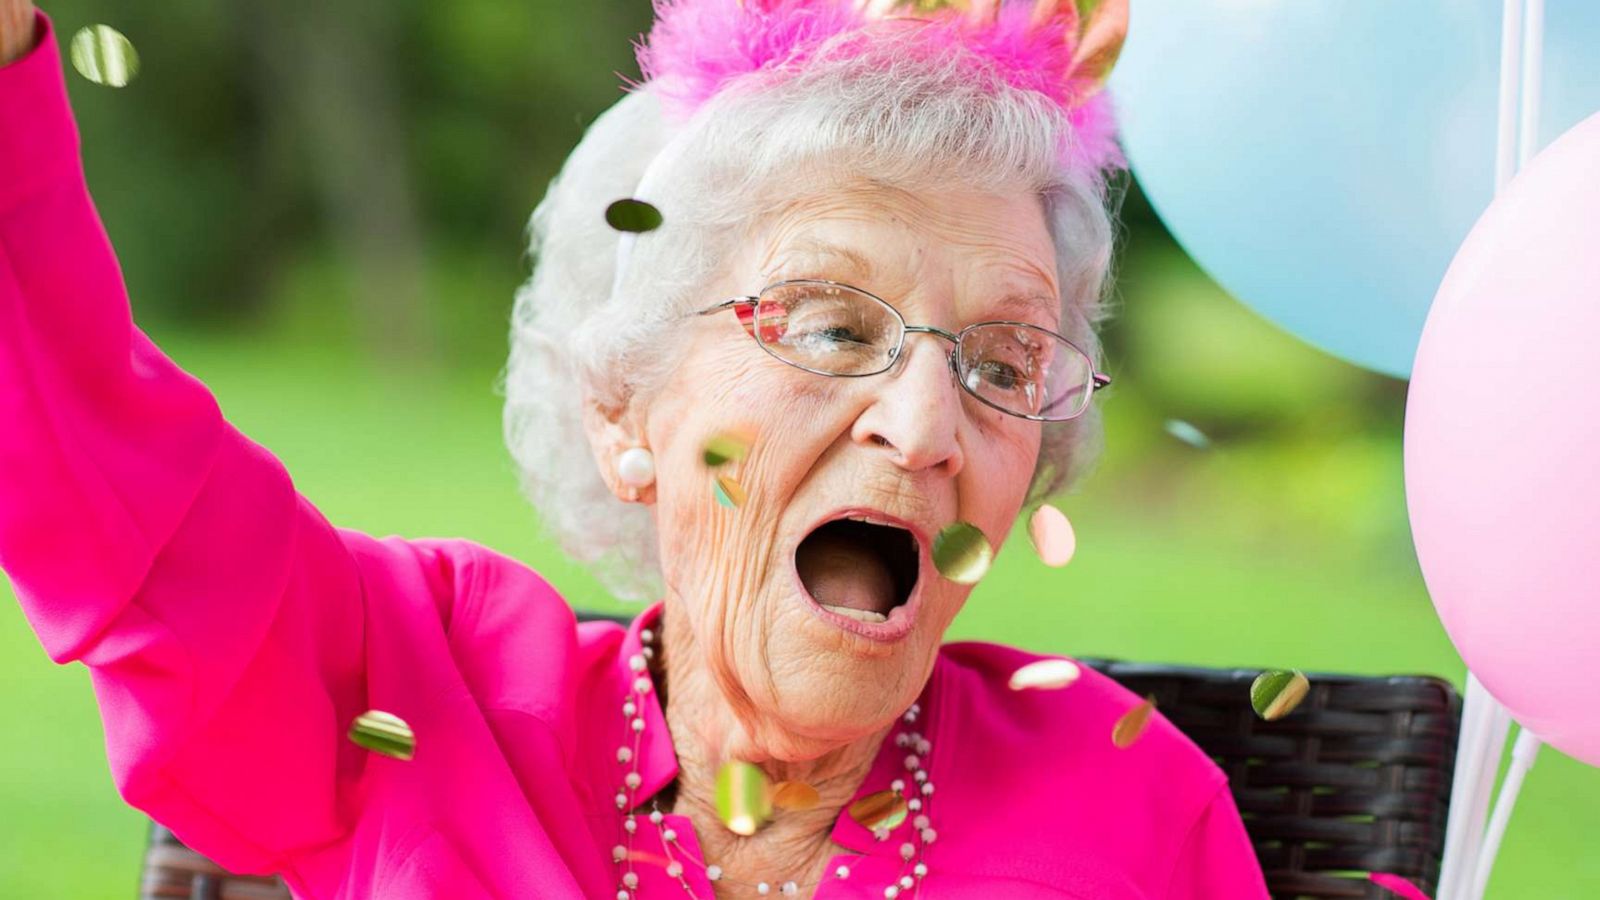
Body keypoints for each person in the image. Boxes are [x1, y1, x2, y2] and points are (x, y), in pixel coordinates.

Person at [0, 1, 1269, 896]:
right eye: (832, 326)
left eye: (1000, 367)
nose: (926, 425)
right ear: (624, 410)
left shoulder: (1126, 811)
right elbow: (112, 486)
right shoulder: (422, 687)